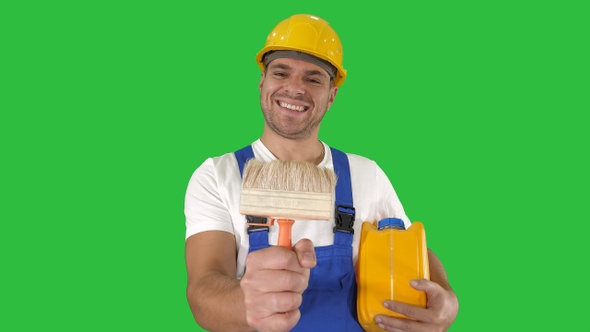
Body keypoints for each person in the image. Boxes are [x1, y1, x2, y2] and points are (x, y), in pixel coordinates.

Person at [184, 14, 458, 331]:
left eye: (313, 79)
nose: (294, 88)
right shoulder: (217, 175)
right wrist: (245, 301)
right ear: (262, 81)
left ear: (332, 94)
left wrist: (447, 299)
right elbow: (203, 291)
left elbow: (412, 245)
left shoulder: (364, 174)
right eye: (281, 72)